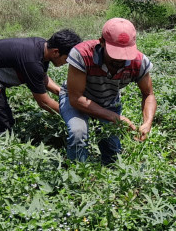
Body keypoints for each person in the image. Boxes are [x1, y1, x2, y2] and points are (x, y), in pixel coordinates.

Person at [60, 18, 156, 164]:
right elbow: (75, 98)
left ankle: (108, 171)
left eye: (125, 53)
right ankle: (78, 173)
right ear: (102, 42)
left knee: (112, 151)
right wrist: (115, 117)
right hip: (77, 100)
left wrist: (147, 123)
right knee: (78, 132)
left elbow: (148, 94)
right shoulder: (82, 54)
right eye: (115, 53)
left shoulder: (139, 61)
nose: (120, 59)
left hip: (108, 101)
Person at [0, 29, 82, 134]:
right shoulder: (32, 62)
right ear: (56, 52)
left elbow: (41, 77)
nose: (66, 63)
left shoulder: (42, 47)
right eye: (66, 59)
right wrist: (73, 115)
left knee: (5, 118)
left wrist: (62, 92)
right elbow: (44, 102)